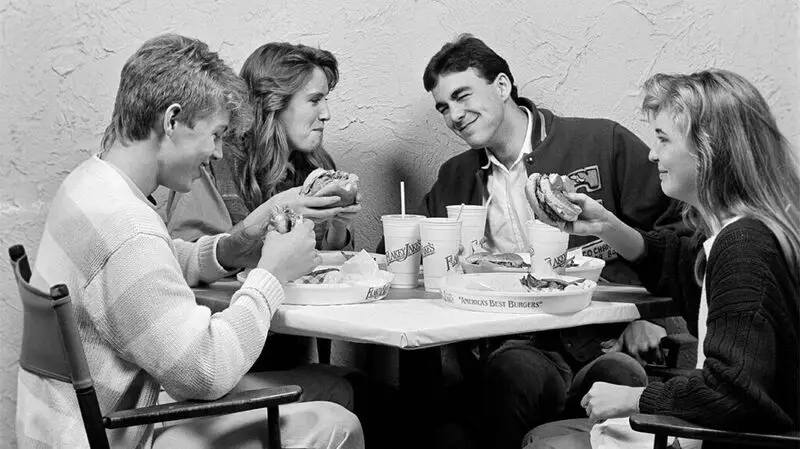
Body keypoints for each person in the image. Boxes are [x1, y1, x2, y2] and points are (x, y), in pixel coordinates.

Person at [16, 34, 364, 449]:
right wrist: (271, 275)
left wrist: (236, 242)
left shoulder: (90, 186)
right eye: (216, 134)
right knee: (338, 422)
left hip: (82, 423)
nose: (219, 153)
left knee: (332, 384)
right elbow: (207, 372)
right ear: (172, 120)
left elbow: (152, 263)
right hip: (120, 434)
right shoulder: (129, 232)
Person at [399, 34, 686, 449]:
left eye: (463, 96)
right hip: (513, 346)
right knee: (511, 374)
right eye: (444, 107)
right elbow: (414, 248)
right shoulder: (455, 177)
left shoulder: (601, 142)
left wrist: (650, 316)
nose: (454, 116)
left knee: (623, 376)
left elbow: (674, 233)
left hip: (603, 339)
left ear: (501, 86)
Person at [524, 69, 800, 449]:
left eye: (663, 140)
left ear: (709, 150)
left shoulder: (744, 248)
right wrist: (605, 225)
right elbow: (674, 263)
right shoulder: (741, 231)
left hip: (722, 435)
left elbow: (735, 395)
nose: (652, 153)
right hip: (716, 427)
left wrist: (633, 399)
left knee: (545, 441)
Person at [163, 42, 360, 251]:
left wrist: (339, 226)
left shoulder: (317, 168)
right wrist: (273, 211)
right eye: (314, 100)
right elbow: (188, 258)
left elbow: (328, 269)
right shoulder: (210, 161)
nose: (326, 114)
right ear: (273, 102)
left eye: (325, 99)